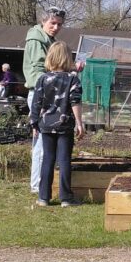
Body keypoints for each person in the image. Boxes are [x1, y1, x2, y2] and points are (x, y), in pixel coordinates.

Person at [30, 41, 84, 207]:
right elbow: (75, 102)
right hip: (65, 125)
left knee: (48, 159)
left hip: (46, 125)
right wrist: (80, 124)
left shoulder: (43, 79)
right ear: (68, 58)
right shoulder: (72, 79)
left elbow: (36, 103)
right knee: (64, 160)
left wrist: (34, 123)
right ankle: (66, 198)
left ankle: (43, 197)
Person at [23, 7, 65, 194]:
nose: (56, 27)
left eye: (59, 24)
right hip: (40, 94)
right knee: (42, 142)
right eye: (52, 23)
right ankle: (38, 186)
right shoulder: (36, 39)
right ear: (43, 22)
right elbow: (39, 71)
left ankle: (39, 184)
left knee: (42, 142)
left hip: (46, 93)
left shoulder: (48, 40)